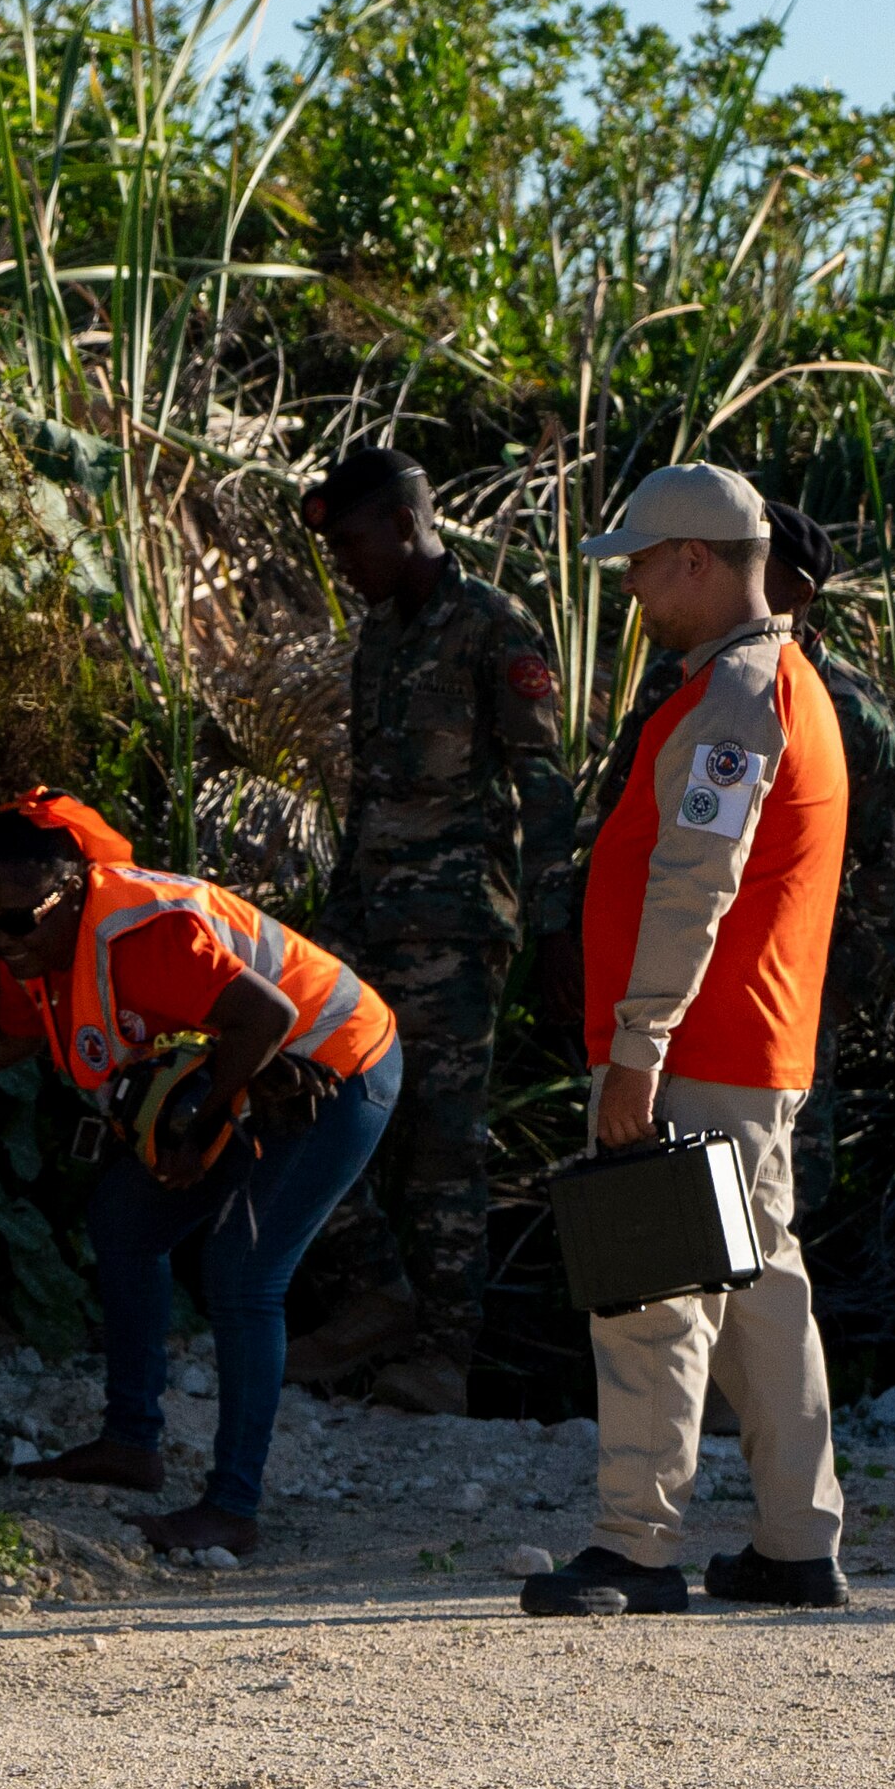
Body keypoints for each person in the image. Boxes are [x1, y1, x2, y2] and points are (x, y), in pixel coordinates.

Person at [0, 789, 402, 1556]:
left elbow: (265, 1016)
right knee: (124, 1222)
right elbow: (11, 1035)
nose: (3, 941)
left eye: (19, 920)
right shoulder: (41, 942)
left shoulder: (143, 932)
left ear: (71, 892)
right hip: (245, 1071)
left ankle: (232, 1505)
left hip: (335, 1067)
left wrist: (194, 1130)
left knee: (243, 1273)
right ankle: (132, 1444)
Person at [518, 463, 850, 1620]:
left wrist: (635, 1046)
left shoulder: (732, 698)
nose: (632, 592)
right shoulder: (775, 682)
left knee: (652, 1291)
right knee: (760, 1291)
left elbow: (690, 883)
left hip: (698, 1043)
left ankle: (634, 1549)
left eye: (641, 567)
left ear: (695, 562)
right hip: (746, 1044)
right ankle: (792, 1544)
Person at [292, 447, 580, 1415]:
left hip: (455, 931)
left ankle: (444, 1360)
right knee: (307, 1098)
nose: (342, 562)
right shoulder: (379, 635)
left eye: (351, 540)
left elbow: (544, 791)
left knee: (441, 1145)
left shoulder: (490, 630)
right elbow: (366, 794)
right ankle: (374, 1296)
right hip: (365, 920)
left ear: (406, 525)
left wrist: (554, 934)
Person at [591, 501, 895, 1201]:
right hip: (684, 1012)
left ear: (797, 593)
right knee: (750, 1251)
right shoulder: (684, 681)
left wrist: (822, 985)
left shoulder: (801, 702)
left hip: (742, 1021)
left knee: (693, 1257)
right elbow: (626, 826)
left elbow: (888, 872)